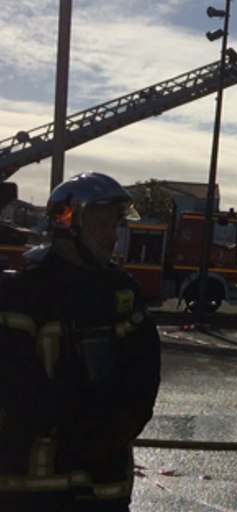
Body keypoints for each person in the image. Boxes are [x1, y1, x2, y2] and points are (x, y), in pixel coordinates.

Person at [0, 172, 161, 511]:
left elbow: (144, 371)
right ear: (68, 226)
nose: (111, 238)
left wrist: (122, 424)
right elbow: (15, 382)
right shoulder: (22, 294)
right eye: (101, 227)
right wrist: (73, 427)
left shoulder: (122, 292)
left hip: (105, 487)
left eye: (114, 227)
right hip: (31, 490)